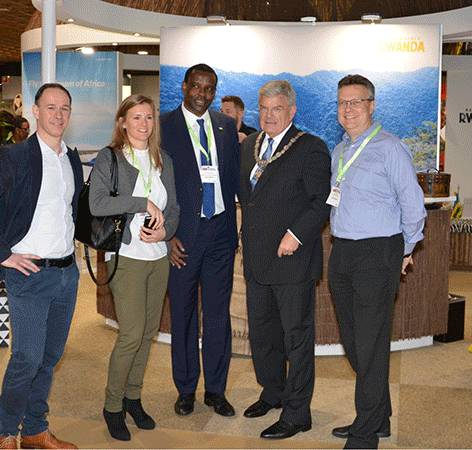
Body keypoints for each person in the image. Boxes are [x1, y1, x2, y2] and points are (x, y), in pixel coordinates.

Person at [0, 83, 83, 450]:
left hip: (66, 274)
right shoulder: (13, 157)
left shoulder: (71, 158)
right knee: (27, 359)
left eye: (64, 108)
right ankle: (7, 431)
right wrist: (2, 254)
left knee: (49, 358)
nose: (58, 114)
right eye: (51, 107)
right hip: (28, 275)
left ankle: (34, 430)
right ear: (35, 111)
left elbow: (70, 211)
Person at [327, 75, 426, 449]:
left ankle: (365, 432)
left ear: (371, 105)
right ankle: (379, 415)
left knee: (369, 343)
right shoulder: (339, 151)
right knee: (355, 342)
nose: (348, 108)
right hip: (342, 252)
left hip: (378, 252)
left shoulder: (390, 148)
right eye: (342, 102)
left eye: (356, 101)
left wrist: (405, 250)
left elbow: (413, 205)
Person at [238, 81, 331, 440]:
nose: (269, 115)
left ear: (291, 111)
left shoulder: (310, 147)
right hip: (257, 260)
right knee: (263, 336)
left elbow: (321, 200)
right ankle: (272, 392)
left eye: (277, 108)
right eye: (263, 108)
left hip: (292, 260)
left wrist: (295, 235)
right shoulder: (249, 145)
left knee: (296, 339)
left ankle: (297, 413)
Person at [88, 95, 180, 441]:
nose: (143, 123)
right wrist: (143, 202)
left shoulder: (164, 160)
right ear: (122, 122)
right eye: (136, 117)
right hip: (126, 256)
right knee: (130, 334)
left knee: (147, 333)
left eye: (149, 117)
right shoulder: (110, 157)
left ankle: (133, 398)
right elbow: (98, 203)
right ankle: (112, 406)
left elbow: (175, 209)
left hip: (158, 257)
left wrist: (165, 232)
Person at [160, 63, 240, 417]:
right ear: (184, 86)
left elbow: (233, 177)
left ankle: (216, 390)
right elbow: (154, 184)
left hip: (220, 233)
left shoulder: (225, 126)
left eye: (209, 89)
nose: (201, 94)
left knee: (219, 316)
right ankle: (186, 389)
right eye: (196, 86)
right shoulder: (163, 126)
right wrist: (167, 235)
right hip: (182, 237)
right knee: (184, 315)